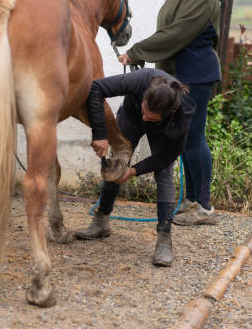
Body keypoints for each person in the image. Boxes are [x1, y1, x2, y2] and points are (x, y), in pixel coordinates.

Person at [117, 0, 221, 225]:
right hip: (181, 74)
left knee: (194, 140)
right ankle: (190, 200)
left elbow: (178, 33)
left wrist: (137, 51)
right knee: (188, 139)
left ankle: (204, 207)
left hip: (195, 75)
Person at [76, 68, 195, 267]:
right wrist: (100, 134)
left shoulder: (182, 114)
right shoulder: (140, 80)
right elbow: (95, 88)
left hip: (163, 131)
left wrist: (134, 171)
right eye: (145, 110)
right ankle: (101, 221)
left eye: (151, 116)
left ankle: (164, 239)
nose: (145, 118)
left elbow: (166, 156)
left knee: (164, 173)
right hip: (130, 116)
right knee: (118, 163)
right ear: (145, 95)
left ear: (169, 113)